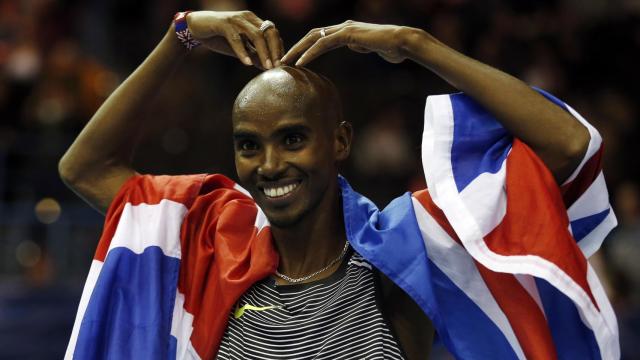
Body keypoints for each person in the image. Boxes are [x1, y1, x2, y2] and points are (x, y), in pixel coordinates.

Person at [59, 10, 619, 360]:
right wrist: (180, 35)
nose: (270, 164)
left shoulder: (400, 253)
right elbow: (84, 167)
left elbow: (567, 146)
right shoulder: (212, 242)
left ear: (341, 142)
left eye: (294, 138)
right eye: (249, 145)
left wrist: (416, 44)